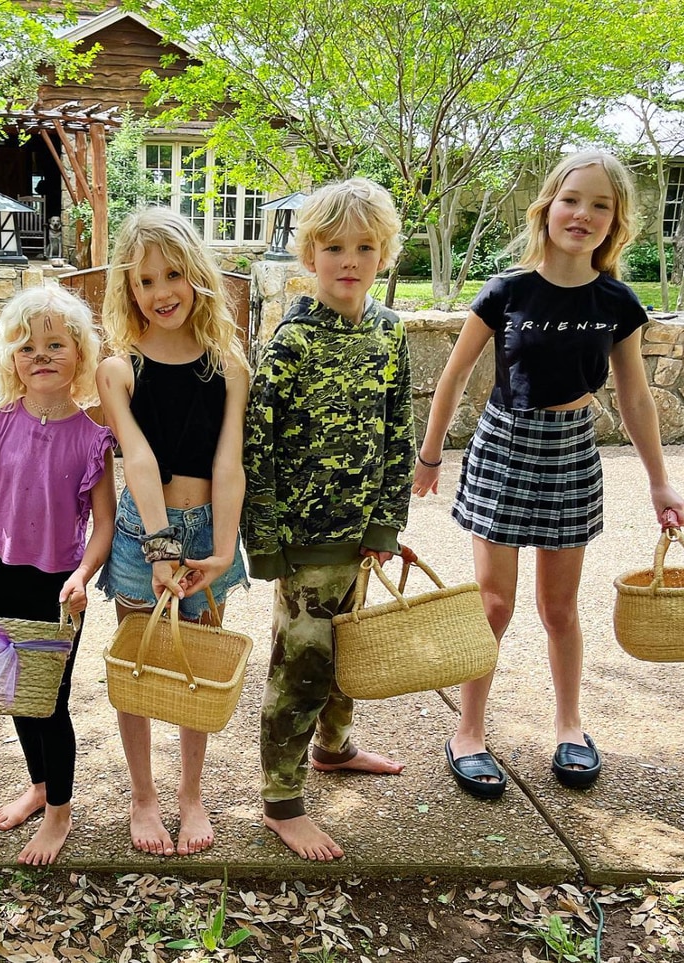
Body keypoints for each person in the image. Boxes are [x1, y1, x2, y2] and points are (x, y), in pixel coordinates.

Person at [413, 152, 684, 798]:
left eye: (601, 205)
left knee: (559, 608)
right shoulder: (507, 291)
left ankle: (570, 725)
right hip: (505, 448)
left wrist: (659, 480)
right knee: (494, 604)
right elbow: (452, 378)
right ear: (548, 205)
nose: (583, 214)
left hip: (570, 453)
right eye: (572, 199)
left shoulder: (617, 302)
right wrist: (428, 459)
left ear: (616, 220)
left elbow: (638, 399)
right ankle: (469, 731)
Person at [243, 178, 410, 861]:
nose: (350, 259)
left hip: (360, 535)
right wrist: (269, 542)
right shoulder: (291, 343)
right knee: (301, 667)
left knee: (351, 654)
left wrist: (385, 525)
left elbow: (398, 429)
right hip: (305, 543)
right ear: (310, 254)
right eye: (335, 246)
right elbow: (260, 445)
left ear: (385, 254)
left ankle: (334, 748)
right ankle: (281, 798)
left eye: (365, 246)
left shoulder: (390, 333)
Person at [96, 206, 250, 857]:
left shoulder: (230, 365)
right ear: (129, 289)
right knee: (137, 667)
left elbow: (228, 463)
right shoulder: (119, 369)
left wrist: (220, 549)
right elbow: (138, 460)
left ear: (197, 275)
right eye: (145, 280)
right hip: (142, 536)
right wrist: (160, 550)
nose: (162, 292)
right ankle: (143, 795)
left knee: (198, 672)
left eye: (174, 275)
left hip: (208, 534)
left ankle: (190, 793)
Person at [0, 285, 117, 866]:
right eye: (27, 346)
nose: (41, 355)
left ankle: (59, 813)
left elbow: (104, 523)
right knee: (18, 693)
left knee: (51, 699)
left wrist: (84, 574)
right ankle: (41, 784)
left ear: (80, 354)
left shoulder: (93, 438)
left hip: (59, 585)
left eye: (55, 344)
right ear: (10, 357)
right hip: (2, 570)